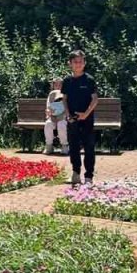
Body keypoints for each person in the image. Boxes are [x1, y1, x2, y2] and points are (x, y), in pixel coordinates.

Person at [62, 51, 99, 186]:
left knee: (89, 148)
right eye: (75, 62)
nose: (78, 64)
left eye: (81, 62)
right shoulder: (67, 81)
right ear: (70, 63)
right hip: (72, 120)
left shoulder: (89, 79)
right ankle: (76, 172)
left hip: (87, 119)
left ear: (84, 63)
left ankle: (89, 176)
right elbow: (64, 99)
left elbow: (95, 99)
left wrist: (86, 114)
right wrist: (67, 114)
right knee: (74, 148)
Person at [44, 77, 68, 155]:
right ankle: (49, 146)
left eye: (60, 84)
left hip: (64, 117)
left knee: (61, 124)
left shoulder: (66, 94)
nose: (58, 86)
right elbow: (48, 108)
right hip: (53, 117)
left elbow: (68, 108)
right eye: (56, 84)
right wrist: (49, 112)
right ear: (53, 86)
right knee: (48, 124)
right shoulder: (51, 95)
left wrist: (62, 116)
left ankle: (64, 146)